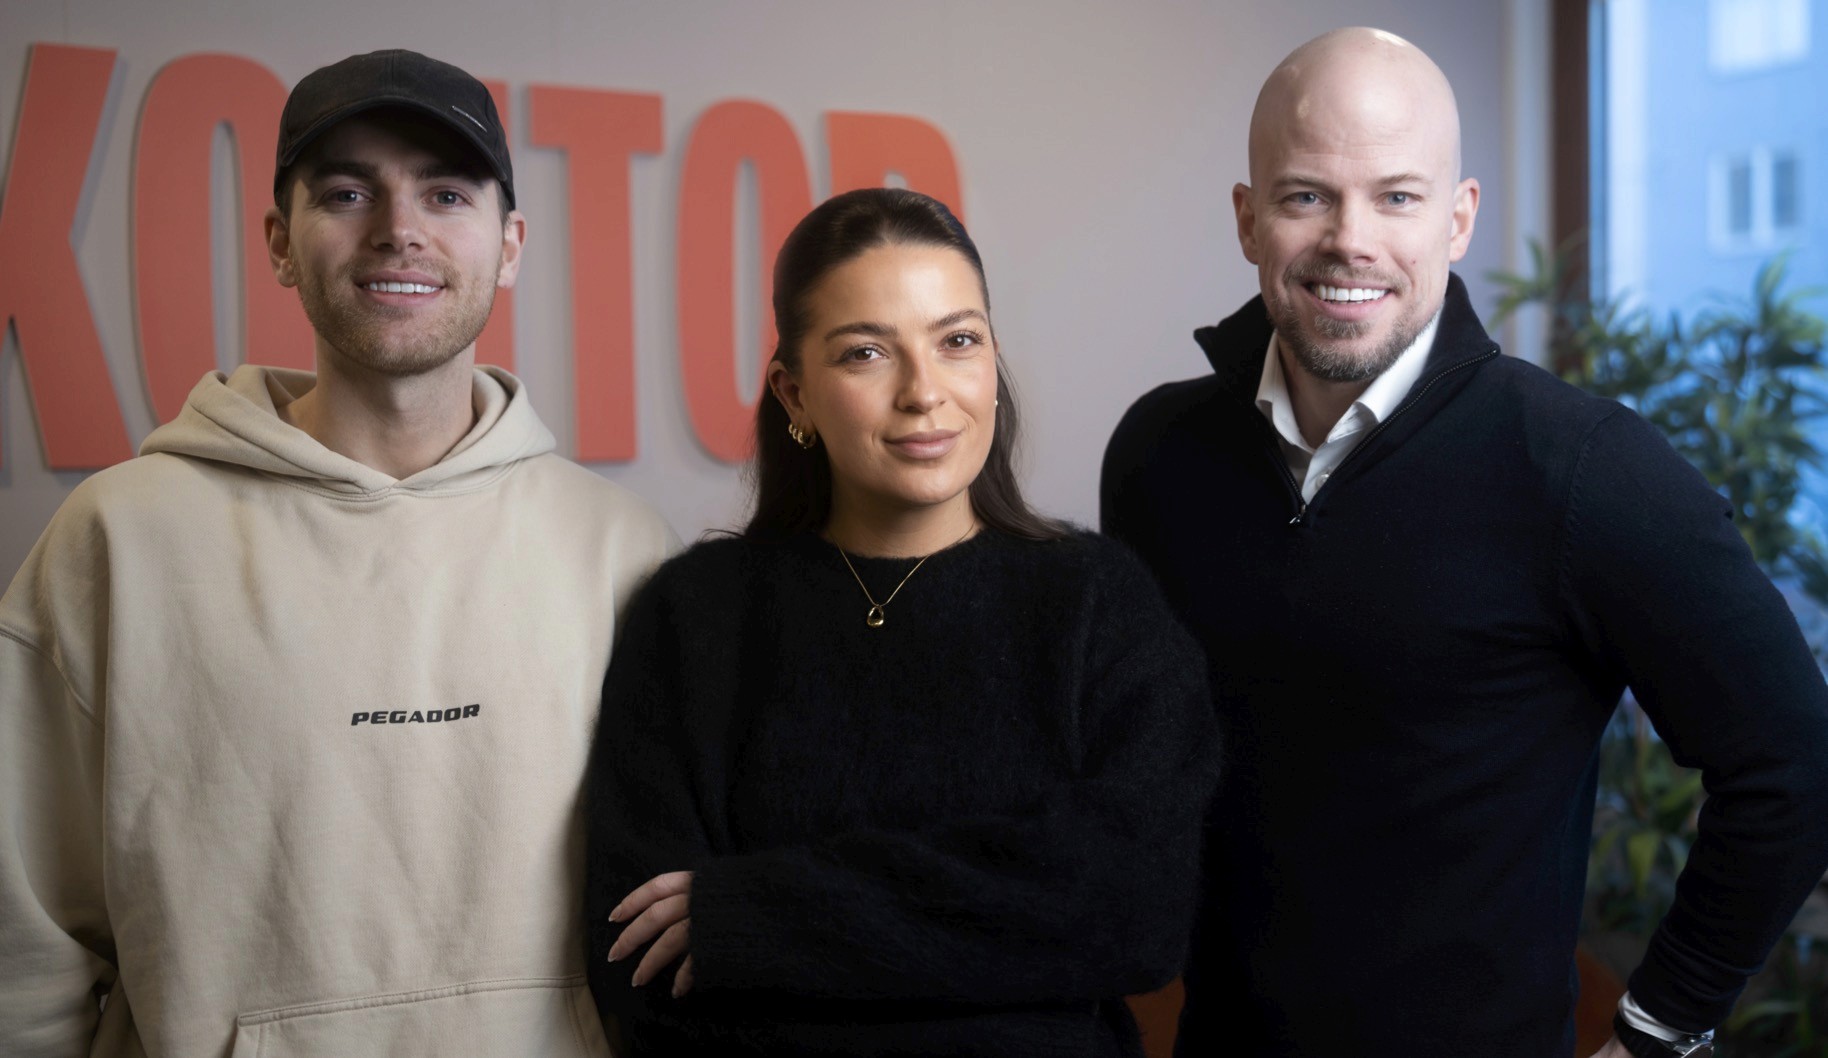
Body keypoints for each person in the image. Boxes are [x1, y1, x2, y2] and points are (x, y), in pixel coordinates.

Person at [1101, 26, 1828, 1058]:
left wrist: (1657, 1032)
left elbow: (1795, 760)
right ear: (1247, 217)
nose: (1351, 238)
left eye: (1396, 196)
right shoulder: (1155, 456)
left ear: (1457, 219)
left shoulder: (1583, 470)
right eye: (1306, 193)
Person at [0, 49, 676, 1057]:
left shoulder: (622, 548)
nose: (398, 228)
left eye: (445, 193)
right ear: (279, 240)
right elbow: (27, 951)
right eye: (348, 190)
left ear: (510, 243)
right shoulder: (116, 540)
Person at [583, 187, 1221, 1056]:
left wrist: (757, 914)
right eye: (866, 354)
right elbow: (640, 957)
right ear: (794, 393)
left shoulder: (1097, 604)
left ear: (994, 362)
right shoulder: (693, 617)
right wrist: (996, 925)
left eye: (958, 342)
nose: (925, 393)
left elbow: (1131, 910)